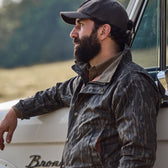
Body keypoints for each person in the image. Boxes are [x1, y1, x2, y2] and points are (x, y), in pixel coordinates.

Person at [0, 0, 160, 167]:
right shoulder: (85, 80)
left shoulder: (131, 82)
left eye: (81, 25)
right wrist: (17, 110)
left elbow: (137, 157)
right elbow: (54, 95)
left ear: (104, 31)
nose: (72, 33)